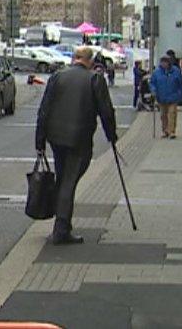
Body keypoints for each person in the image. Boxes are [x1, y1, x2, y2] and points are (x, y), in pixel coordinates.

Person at [35, 46, 118, 245]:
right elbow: (106, 110)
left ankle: (62, 224)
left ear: (74, 58)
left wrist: (40, 140)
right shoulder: (94, 79)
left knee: (64, 177)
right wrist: (111, 136)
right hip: (79, 139)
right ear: (89, 61)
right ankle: (61, 228)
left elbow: (44, 109)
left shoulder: (57, 77)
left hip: (56, 138)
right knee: (68, 181)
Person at [150, 56, 182, 138]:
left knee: (172, 114)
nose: (164, 64)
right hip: (161, 97)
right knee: (163, 115)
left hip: (173, 97)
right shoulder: (157, 72)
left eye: (165, 62)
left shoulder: (176, 71)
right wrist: (153, 90)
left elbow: (180, 84)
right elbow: (152, 83)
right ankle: (165, 130)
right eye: (162, 62)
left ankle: (172, 131)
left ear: (169, 63)